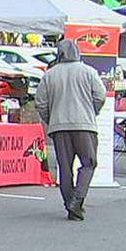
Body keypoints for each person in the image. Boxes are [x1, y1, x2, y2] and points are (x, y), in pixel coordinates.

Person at [36, 38, 107, 221]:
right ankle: (78, 198)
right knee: (89, 163)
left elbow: (40, 103)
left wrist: (51, 119)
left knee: (65, 168)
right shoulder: (88, 72)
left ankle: (69, 204)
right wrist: (92, 111)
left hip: (59, 127)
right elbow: (100, 96)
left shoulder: (50, 75)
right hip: (85, 125)